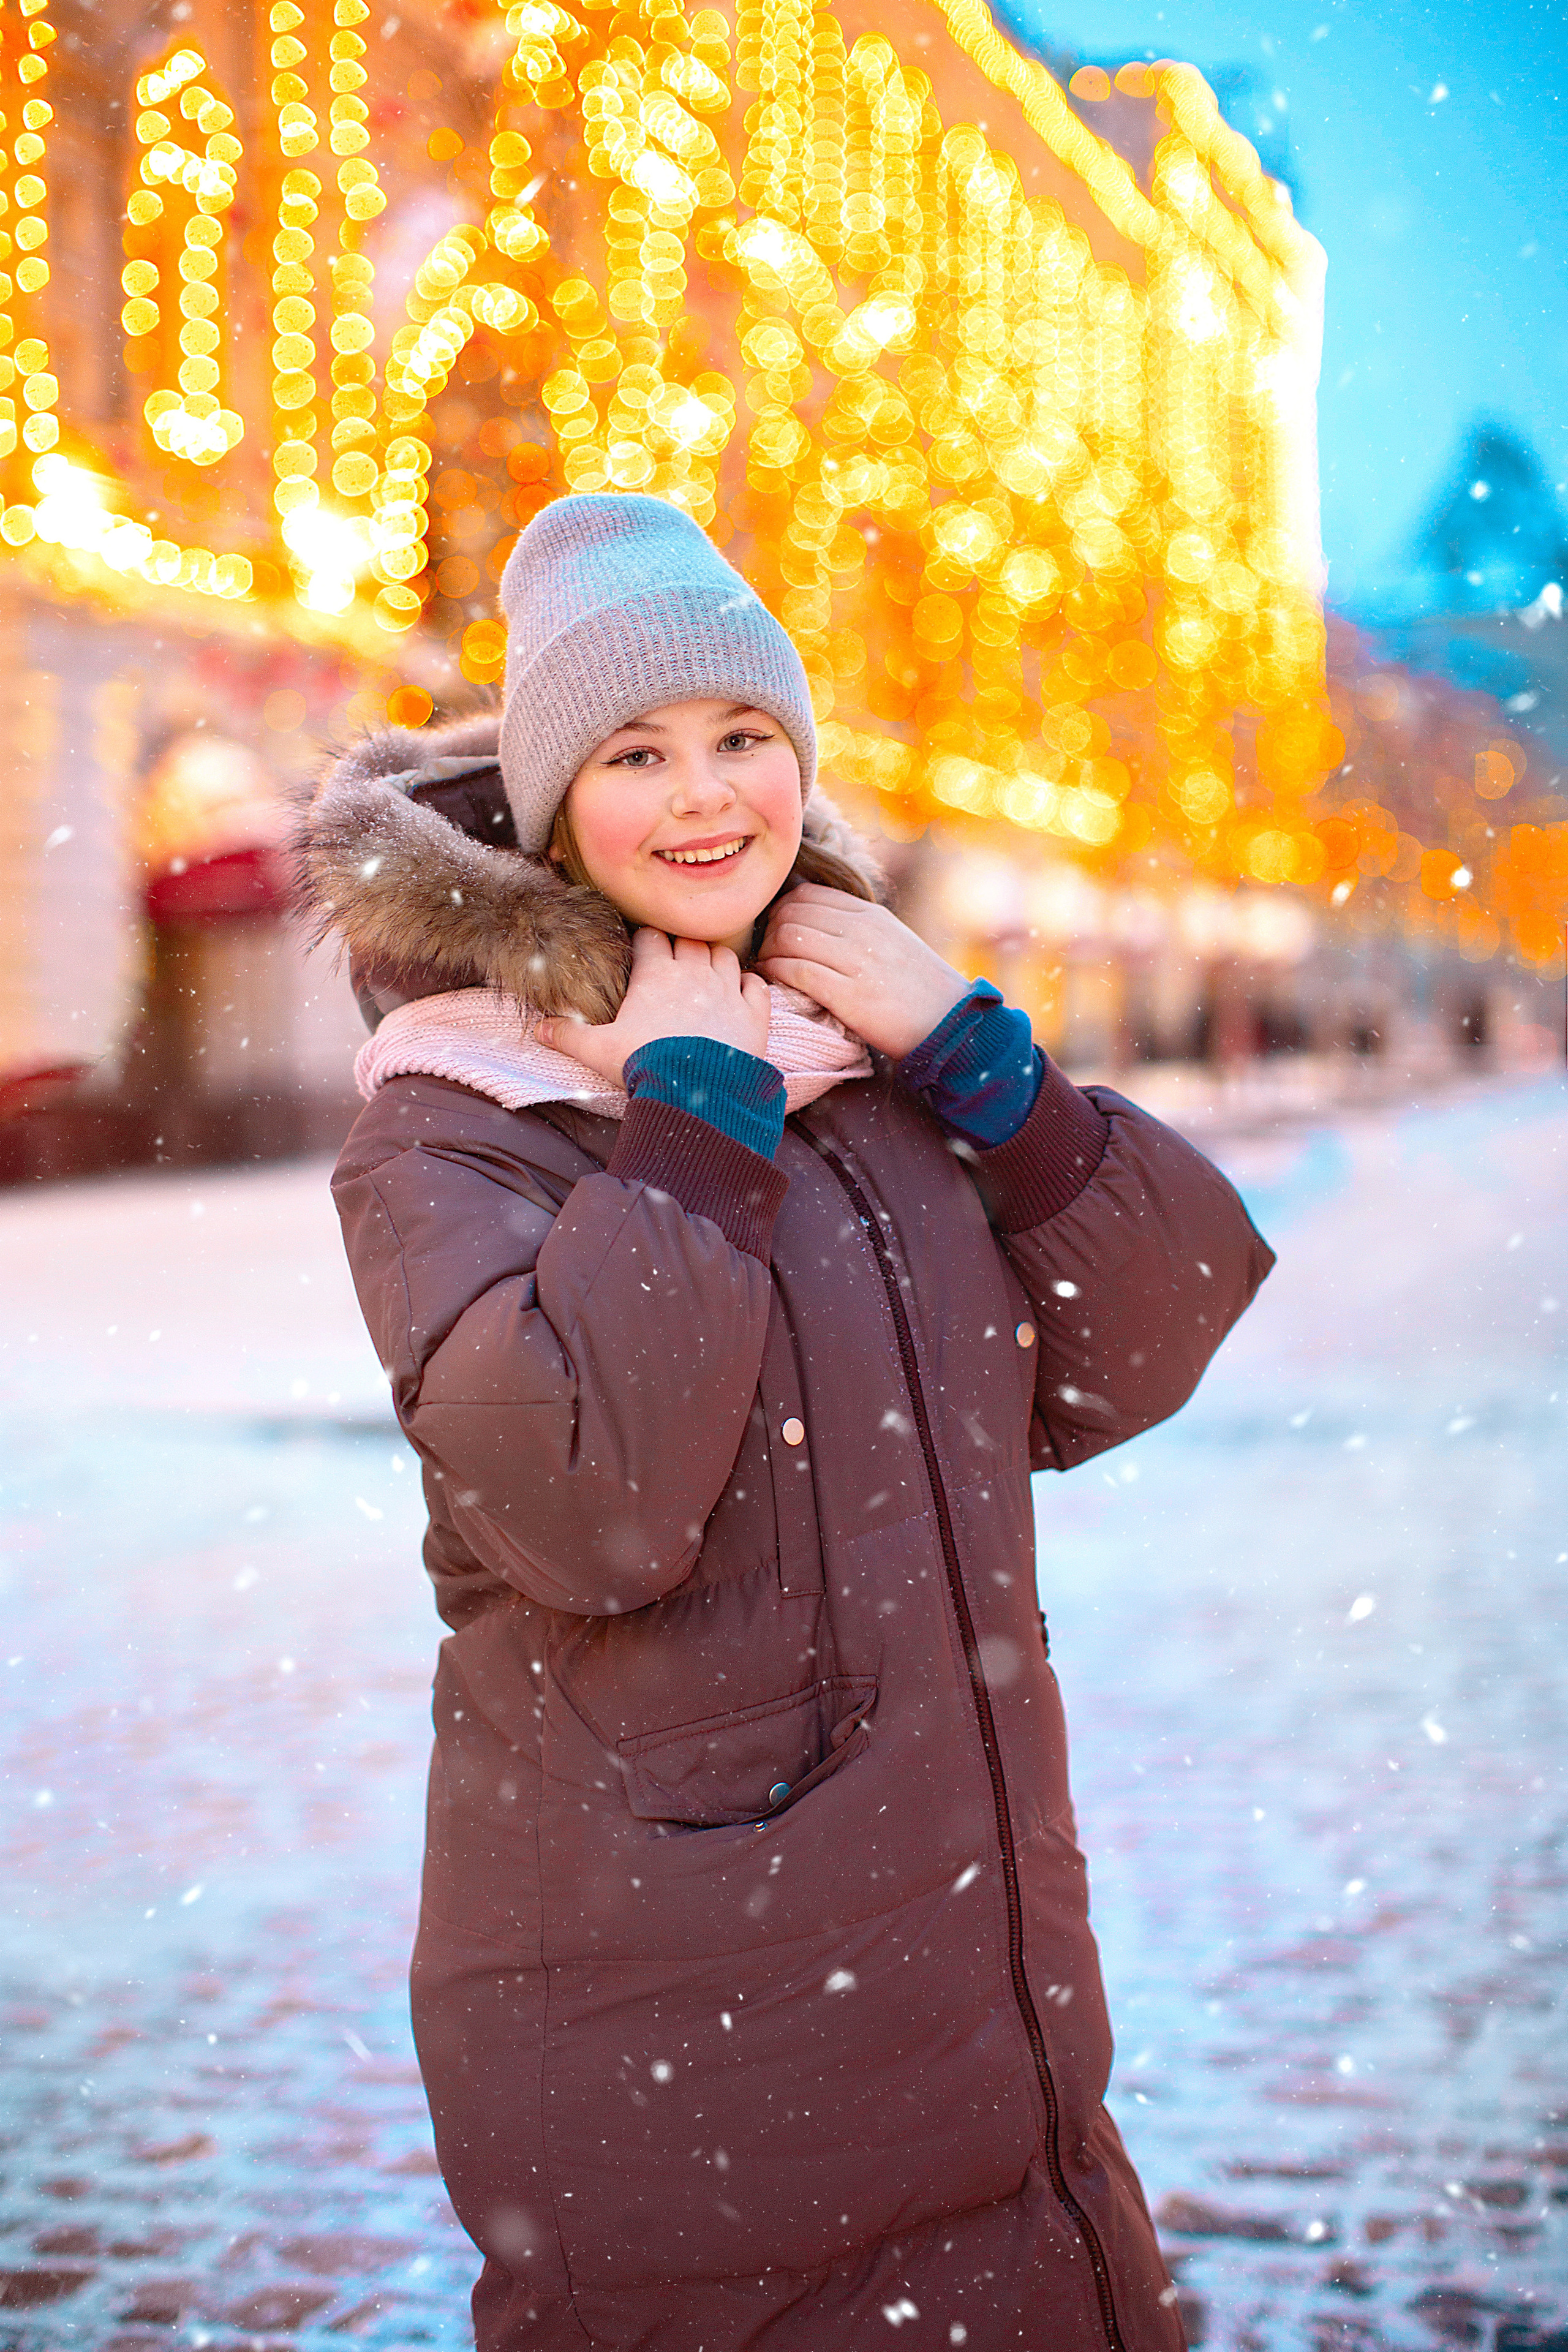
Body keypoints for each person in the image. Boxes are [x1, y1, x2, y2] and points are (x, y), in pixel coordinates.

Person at [296, 493, 1273, 2352]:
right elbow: (593, 1511)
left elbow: (1130, 1353)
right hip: (681, 2031)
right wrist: (686, 1114)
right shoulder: (453, 1119)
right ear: (551, 798)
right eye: (637, 751)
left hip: (984, 1998)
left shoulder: (856, 1053)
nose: (705, 794)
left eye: (746, 736)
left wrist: (978, 1054)